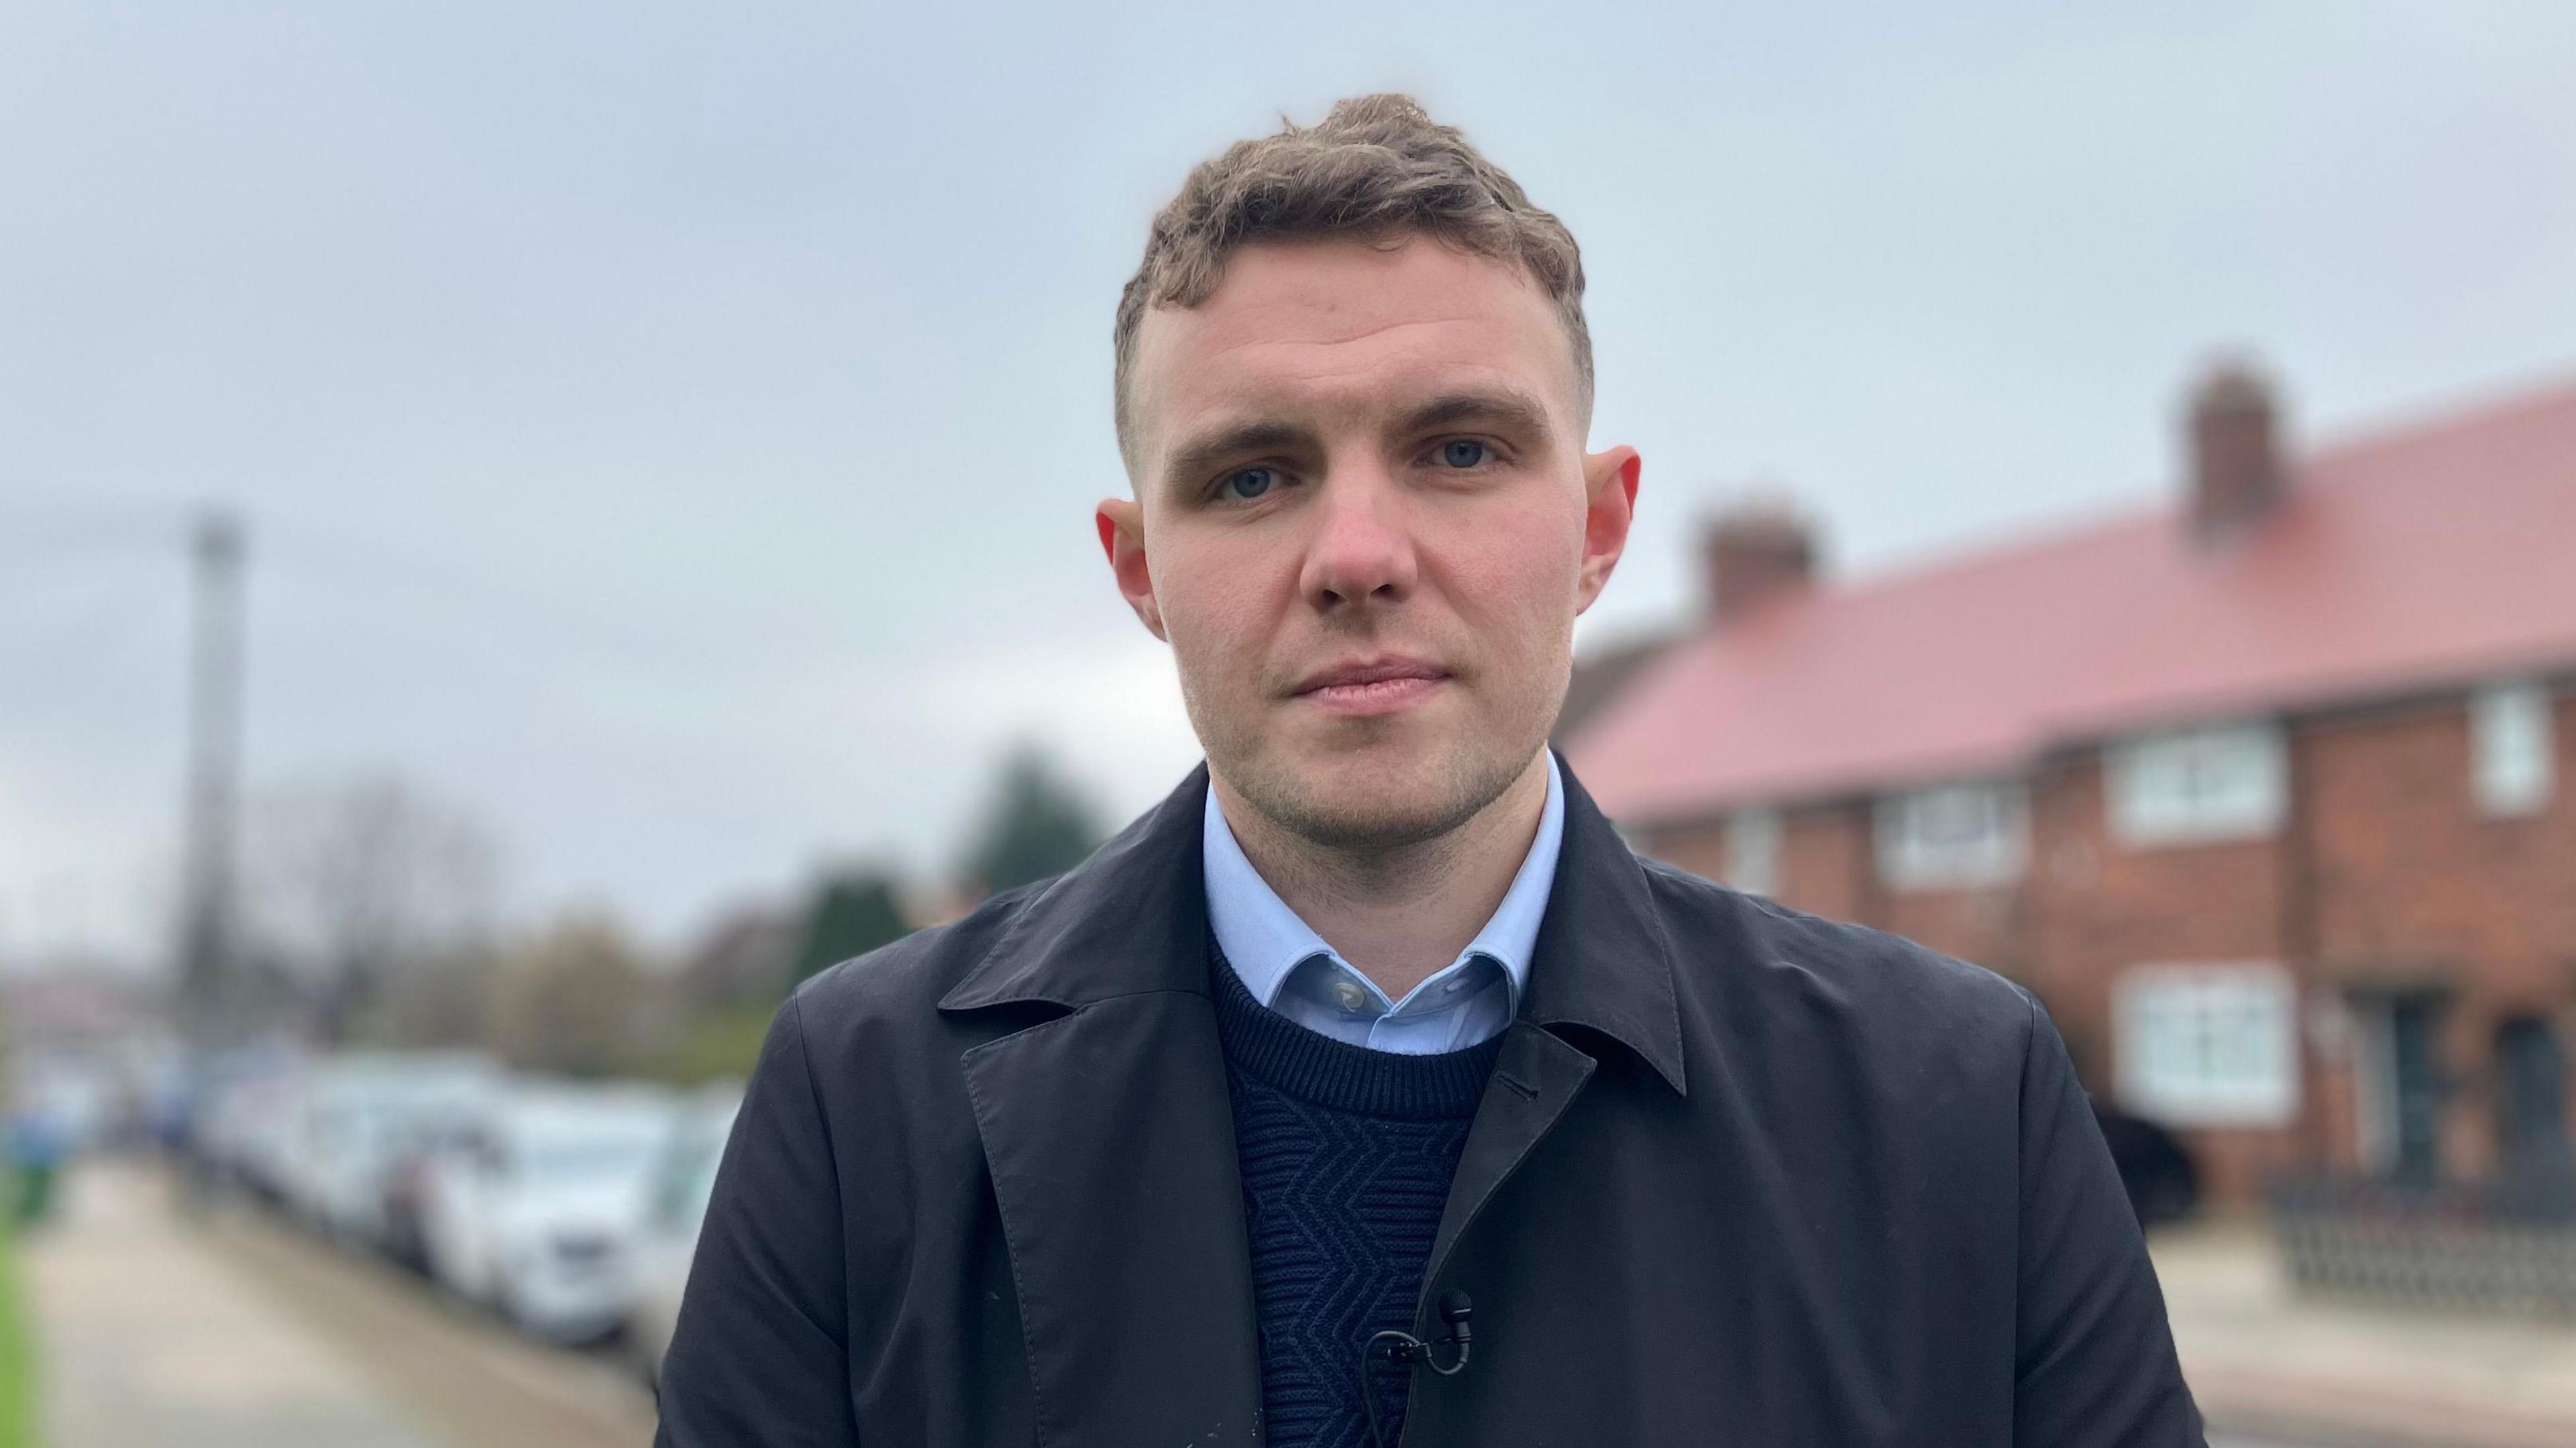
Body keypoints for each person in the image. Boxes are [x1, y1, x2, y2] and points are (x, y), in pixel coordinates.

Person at [654, 95, 2204, 1447]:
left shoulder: (1957, 1107)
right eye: (1254, 476)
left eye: (1460, 450)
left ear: (1600, 530)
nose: (1359, 556)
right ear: (1139, 567)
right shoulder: (862, 1110)